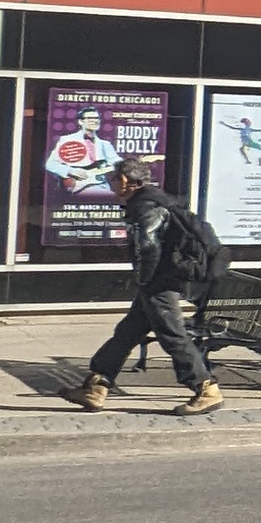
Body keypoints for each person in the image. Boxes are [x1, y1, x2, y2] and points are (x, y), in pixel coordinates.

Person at [66, 160, 221, 412]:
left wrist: (144, 279)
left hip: (159, 282)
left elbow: (148, 246)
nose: (110, 183)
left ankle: (206, 388)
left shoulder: (145, 206)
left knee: (172, 335)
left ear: (126, 181)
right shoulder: (152, 201)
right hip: (158, 280)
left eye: (113, 179)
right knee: (127, 332)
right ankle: (96, 387)